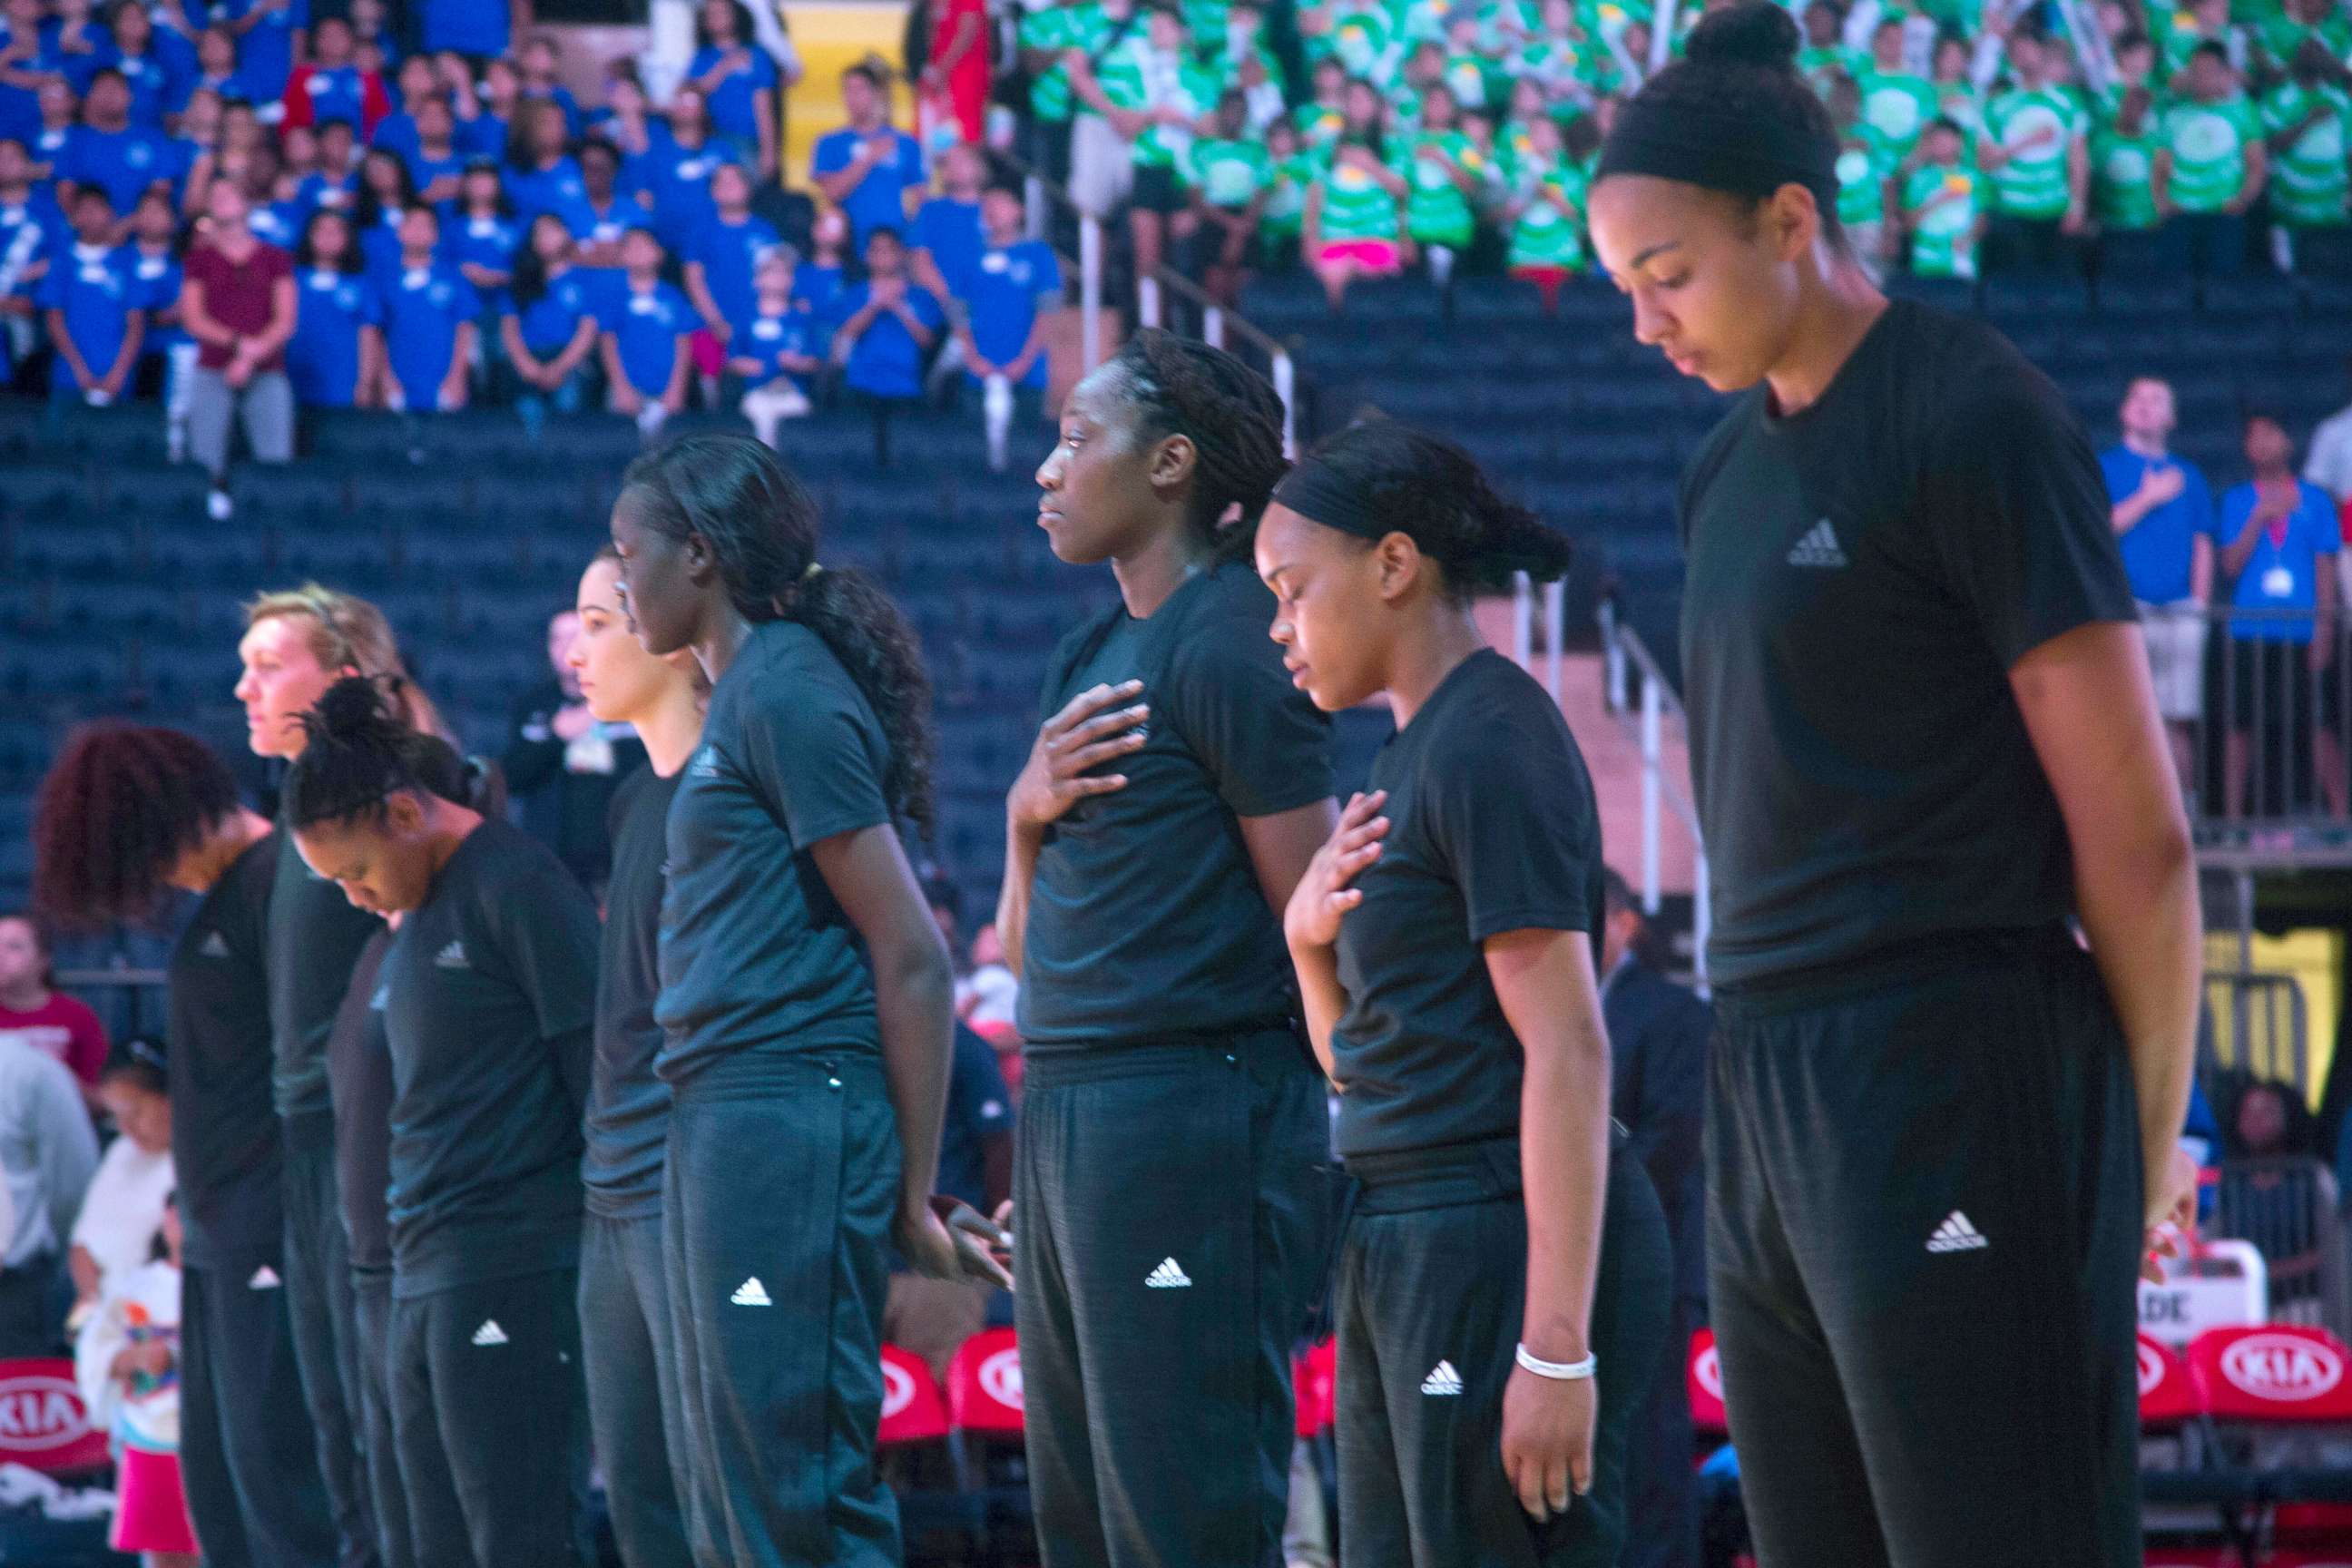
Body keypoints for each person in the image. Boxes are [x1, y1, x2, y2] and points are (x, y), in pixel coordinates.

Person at [1584, 7, 2201, 1562]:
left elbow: (2137, 841)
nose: (1642, 327)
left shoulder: (1970, 413)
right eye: (1622, 289)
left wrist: (2138, 1141)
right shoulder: (1721, 469)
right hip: (1767, 1073)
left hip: (1954, 1057)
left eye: (1667, 277)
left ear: (1789, 223)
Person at [1252, 421, 1670, 1568]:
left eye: (1293, 591)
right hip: (1399, 1221)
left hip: (1489, 1233)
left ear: (1394, 565)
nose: (1280, 629)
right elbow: (1365, 1068)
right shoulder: (1402, 759)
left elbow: (1572, 1050)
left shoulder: (1492, 739)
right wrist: (1307, 947)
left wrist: (1556, 1346)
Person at [605, 432, 1006, 1568]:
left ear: (698, 555)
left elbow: (916, 956)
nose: (620, 581)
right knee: (736, 1482)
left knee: (794, 1488)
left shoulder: (785, 690)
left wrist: (913, 1192)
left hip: (787, 1111)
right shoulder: (747, 693)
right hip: (730, 1111)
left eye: (626, 554)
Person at [994, 330, 1332, 1568]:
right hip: (1073, 1108)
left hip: (1196, 1110)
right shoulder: (1089, 653)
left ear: (1173, 465)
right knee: (1081, 1524)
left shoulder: (1238, 636)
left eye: (1078, 440)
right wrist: (1024, 818)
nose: (1046, 469)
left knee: (1184, 1517)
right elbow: (1019, 953)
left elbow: (1315, 914)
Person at [283, 677, 597, 1568]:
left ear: (404, 816)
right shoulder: (411, 916)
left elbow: (600, 1075)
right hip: (420, 1269)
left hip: (511, 1261)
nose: (352, 896)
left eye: (353, 871)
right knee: (434, 1547)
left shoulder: (517, 882)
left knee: (521, 1535)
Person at [30, 723, 339, 1568]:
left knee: (281, 1488)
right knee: (220, 1490)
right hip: (214, 1231)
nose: (153, 881)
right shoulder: (229, 898)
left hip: (272, 1228)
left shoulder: (289, 885)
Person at [564, 545, 705, 1568]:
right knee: (643, 1509)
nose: (577, 647)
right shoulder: (634, 803)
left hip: (684, 1184)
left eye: (600, 622)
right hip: (610, 1189)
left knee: (720, 1497)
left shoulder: (728, 787)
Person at [1594, 871, 1707, 1568]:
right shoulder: (1550, 1011)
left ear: (1624, 922)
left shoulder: (1673, 1013)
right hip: (1578, 1270)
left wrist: (1580, 1198)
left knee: (1652, 1452)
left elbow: (1673, 1140)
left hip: (1650, 1260)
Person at [2214, 412, 2344, 819]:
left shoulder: (2316, 500)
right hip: (2250, 630)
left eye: (2270, 432)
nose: (2261, 443)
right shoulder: (2237, 500)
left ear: (2288, 441)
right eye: (2252, 437)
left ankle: (2342, 820)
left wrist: (2324, 626)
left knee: (2316, 724)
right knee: (2241, 726)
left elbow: (2326, 565)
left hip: (2302, 631)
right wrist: (2260, 518)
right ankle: (2233, 821)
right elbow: (2230, 565)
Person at [2101, 377, 2216, 795]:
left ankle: (2185, 816)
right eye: (2137, 397)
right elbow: (2099, 529)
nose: (2146, 406)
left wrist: (2199, 604)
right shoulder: (2107, 467)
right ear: (2124, 410)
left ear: (2171, 417)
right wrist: (2148, 497)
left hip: (2181, 610)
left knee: (2177, 717)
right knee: (2127, 715)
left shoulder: (2190, 476)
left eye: (2157, 400)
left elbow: (2203, 540)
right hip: (2128, 609)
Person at [77, 1191, 197, 1568]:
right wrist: (137, 1357)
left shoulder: (228, 1283)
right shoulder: (136, 1288)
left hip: (211, 1436)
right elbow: (95, 1354)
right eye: (176, 1215)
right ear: (165, 1220)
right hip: (153, 1436)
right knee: (162, 1551)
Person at [502, 605, 645, 893]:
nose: (567, 647)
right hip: (551, 862)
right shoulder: (535, 705)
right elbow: (512, 777)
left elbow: (648, 772)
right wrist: (557, 735)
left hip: (619, 861)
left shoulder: (626, 701)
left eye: (576, 636)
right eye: (558, 638)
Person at [180, 173, 294, 522]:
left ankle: (272, 525)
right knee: (205, 456)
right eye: (215, 194)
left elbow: (285, 320)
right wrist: (239, 345)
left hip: (267, 367)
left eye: (230, 192)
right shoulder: (200, 259)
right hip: (214, 365)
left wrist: (250, 355)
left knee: (274, 457)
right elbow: (193, 318)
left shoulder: (275, 258)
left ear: (247, 203)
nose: (221, 199)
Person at [70, 1046, 175, 1316]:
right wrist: (91, 1302)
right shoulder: (121, 1152)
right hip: (110, 1315)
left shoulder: (194, 1161)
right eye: (116, 1117)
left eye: (136, 1113)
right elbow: (83, 1243)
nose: (126, 1128)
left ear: (170, 1100)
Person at [1976, 26, 2088, 272]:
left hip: (2055, 208)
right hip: (2010, 210)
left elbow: (2078, 158)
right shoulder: (1996, 105)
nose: (2023, 55)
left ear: (2042, 52)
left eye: (2028, 48)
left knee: (2059, 290)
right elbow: (1985, 162)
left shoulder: (2067, 100)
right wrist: (2026, 142)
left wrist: (2078, 205)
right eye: (2016, 50)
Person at [2159, 43, 2265, 278]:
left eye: (2208, 71)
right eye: (2196, 71)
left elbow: (2256, 163)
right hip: (2180, 212)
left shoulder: (2244, 110)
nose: (2201, 77)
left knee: (2224, 287)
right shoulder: (2175, 113)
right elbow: (2160, 164)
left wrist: (2243, 200)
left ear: (2225, 74)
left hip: (2225, 212)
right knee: (2175, 288)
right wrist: (2162, 202)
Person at [41, 186, 145, 407]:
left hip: (118, 377)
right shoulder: (62, 263)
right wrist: (79, 371)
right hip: (69, 375)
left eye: (98, 209)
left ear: (111, 214)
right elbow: (54, 319)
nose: (92, 216)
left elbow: (136, 323)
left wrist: (118, 373)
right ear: (74, 217)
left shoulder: (128, 261)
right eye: (85, 210)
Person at [377, 204, 476, 414]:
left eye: (425, 226)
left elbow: (465, 329)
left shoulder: (453, 277)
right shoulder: (383, 279)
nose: (418, 231)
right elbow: (376, 333)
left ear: (436, 236)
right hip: (398, 381)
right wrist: (385, 378)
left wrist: (458, 377)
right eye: (412, 224)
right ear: (399, 231)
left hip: (443, 381)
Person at [811, 61, 925, 244]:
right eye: (847, 90)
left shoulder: (904, 142)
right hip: (848, 245)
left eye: (860, 90)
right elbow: (832, 192)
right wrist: (868, 157)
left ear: (876, 93)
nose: (852, 97)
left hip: (894, 243)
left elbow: (919, 196)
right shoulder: (829, 143)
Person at [0, 911, 107, 1102]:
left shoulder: (77, 1015)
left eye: (14, 947)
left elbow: (103, 1100)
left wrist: (54, 1075)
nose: (1, 955)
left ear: (43, 959)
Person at [600, 226, 693, 435]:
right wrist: (621, 387)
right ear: (621, 255)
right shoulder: (616, 297)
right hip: (626, 390)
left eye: (645, 246)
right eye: (631, 247)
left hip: (666, 390)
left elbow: (683, 344)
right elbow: (608, 343)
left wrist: (676, 389)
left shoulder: (673, 297)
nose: (638, 252)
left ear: (659, 253)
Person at [289, 205, 381, 408]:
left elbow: (368, 335)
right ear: (309, 235)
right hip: (294, 378)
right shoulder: (290, 279)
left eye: (337, 231)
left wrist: (365, 382)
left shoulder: (360, 285)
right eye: (321, 230)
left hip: (343, 382)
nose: (328, 236)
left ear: (348, 238)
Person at [727, 247, 819, 446]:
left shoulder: (800, 318)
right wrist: (755, 367)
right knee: (761, 418)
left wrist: (795, 363)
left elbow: (814, 360)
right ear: (757, 278)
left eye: (784, 272)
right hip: (758, 392)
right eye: (771, 271)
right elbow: (733, 359)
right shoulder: (746, 317)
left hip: (792, 392)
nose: (778, 277)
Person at [686, 0, 780, 181]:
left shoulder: (756, 55)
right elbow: (693, 93)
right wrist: (724, 67)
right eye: (710, 13)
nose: (716, 18)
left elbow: (764, 105)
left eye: (722, 12)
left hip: (747, 139)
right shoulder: (702, 56)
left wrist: (769, 151)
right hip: (711, 139)